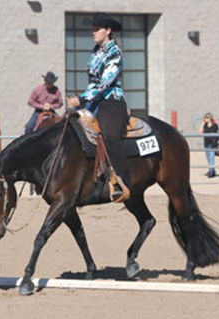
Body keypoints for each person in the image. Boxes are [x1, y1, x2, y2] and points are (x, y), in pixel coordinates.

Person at [66, 12, 129, 202]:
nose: (93, 32)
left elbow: (105, 82)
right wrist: (82, 100)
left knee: (110, 136)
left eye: (97, 29)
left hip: (112, 102)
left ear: (108, 31)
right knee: (69, 127)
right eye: (92, 29)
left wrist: (81, 100)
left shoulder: (115, 52)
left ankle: (122, 182)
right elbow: (93, 81)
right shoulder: (95, 52)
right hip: (93, 101)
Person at [199, 113, 219, 178]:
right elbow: (200, 131)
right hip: (207, 143)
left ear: (210, 118)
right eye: (205, 118)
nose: (205, 119)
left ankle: (211, 172)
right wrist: (202, 124)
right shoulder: (205, 125)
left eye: (207, 118)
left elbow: (218, 133)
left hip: (213, 144)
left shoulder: (215, 125)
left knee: (211, 158)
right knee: (208, 158)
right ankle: (212, 170)